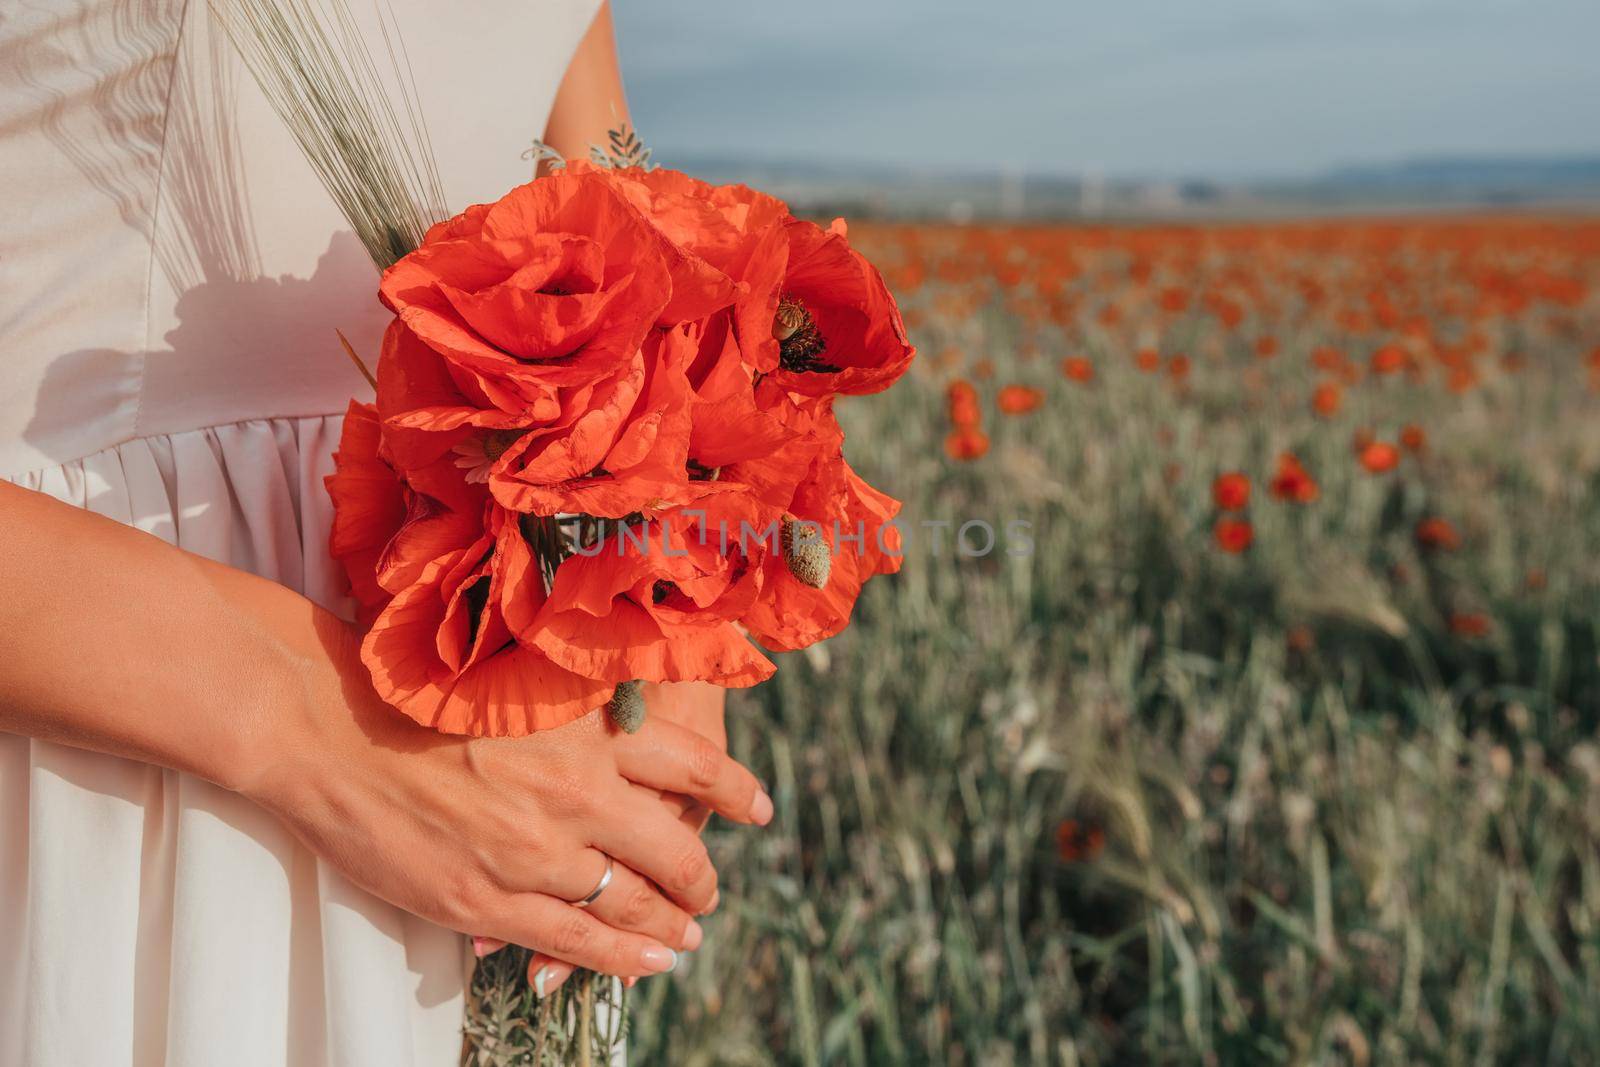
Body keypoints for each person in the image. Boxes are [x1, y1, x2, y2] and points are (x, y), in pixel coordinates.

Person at [0, 2, 767, 1063]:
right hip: (109, 720)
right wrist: (330, 735)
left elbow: (612, 229)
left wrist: (664, 604)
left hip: (502, 747)